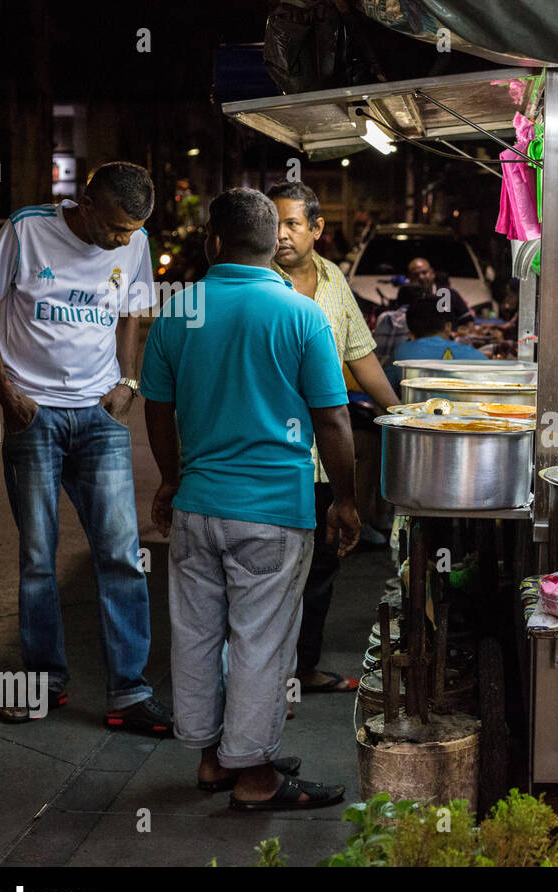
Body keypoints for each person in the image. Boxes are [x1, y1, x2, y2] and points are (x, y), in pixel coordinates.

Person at [141, 187, 357, 808]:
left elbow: (159, 408)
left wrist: (171, 478)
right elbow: (334, 420)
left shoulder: (180, 311)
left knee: (199, 635)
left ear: (213, 240)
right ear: (271, 246)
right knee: (262, 643)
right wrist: (346, 500)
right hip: (273, 511)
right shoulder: (300, 314)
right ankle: (257, 778)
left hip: (197, 507)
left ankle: (214, 760)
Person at [0, 161, 173, 733]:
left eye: (131, 231)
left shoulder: (135, 240)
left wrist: (126, 381)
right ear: (85, 202)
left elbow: (131, 310)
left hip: (99, 418)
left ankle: (128, 692)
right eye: (113, 229)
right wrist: (8, 394)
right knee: (38, 558)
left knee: (122, 556)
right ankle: (43, 683)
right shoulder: (28, 229)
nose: (121, 241)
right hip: (34, 417)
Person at [267, 180, 398, 694]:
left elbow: (361, 356)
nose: (281, 235)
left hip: (325, 459)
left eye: (292, 223)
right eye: (273, 223)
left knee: (320, 569)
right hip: (274, 455)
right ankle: (264, 679)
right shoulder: (259, 281)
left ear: (317, 229)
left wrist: (404, 414)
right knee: (272, 573)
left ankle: (302, 669)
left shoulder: (333, 280)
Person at [385, 290, 489, 391]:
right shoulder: (476, 357)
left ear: (411, 334)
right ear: (448, 327)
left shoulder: (401, 353)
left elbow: (384, 392)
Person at [398, 257, 473, 321]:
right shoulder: (406, 298)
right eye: (415, 275)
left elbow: (467, 320)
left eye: (424, 273)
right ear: (409, 278)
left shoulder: (447, 294)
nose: (420, 277)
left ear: (432, 273)